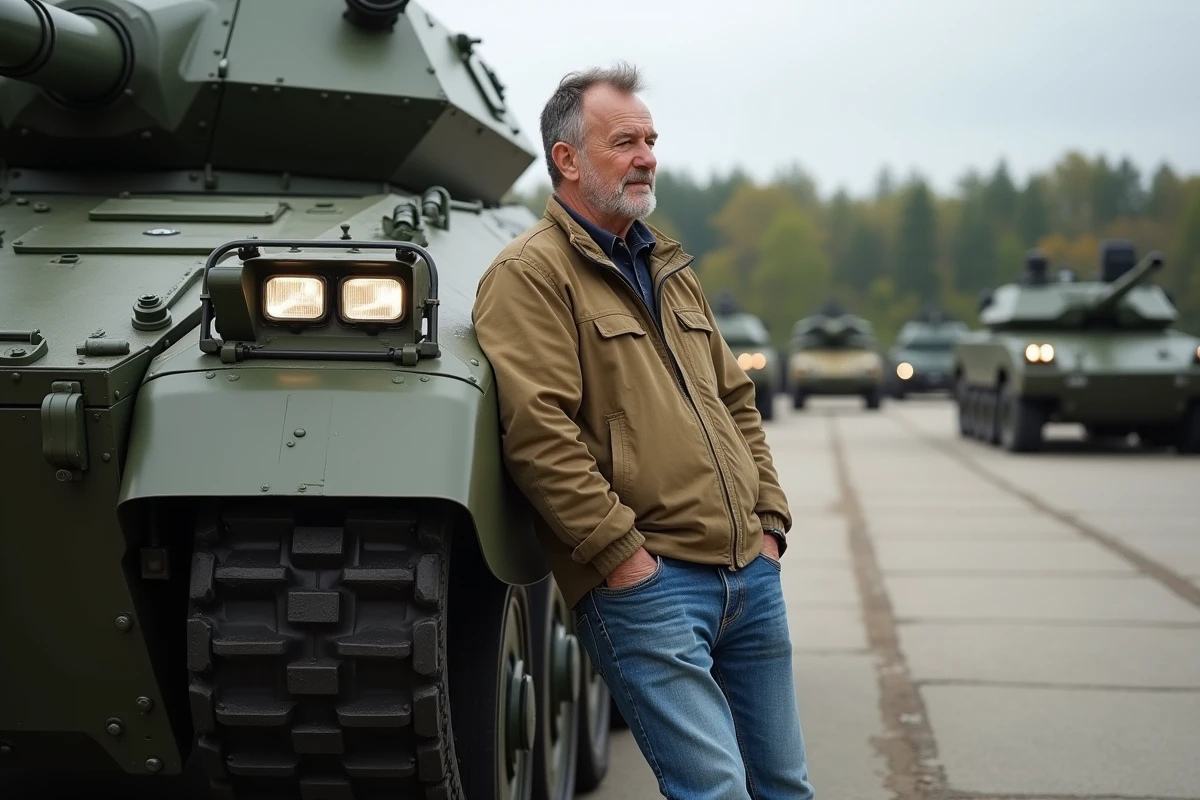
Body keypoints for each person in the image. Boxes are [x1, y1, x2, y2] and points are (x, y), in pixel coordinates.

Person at [472, 63, 815, 800]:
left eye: (651, 141)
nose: (647, 157)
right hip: (652, 583)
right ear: (567, 159)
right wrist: (623, 559)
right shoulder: (531, 274)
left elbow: (736, 400)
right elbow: (538, 432)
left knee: (786, 788)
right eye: (625, 142)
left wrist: (769, 524)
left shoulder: (668, 265)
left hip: (749, 574)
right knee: (715, 791)